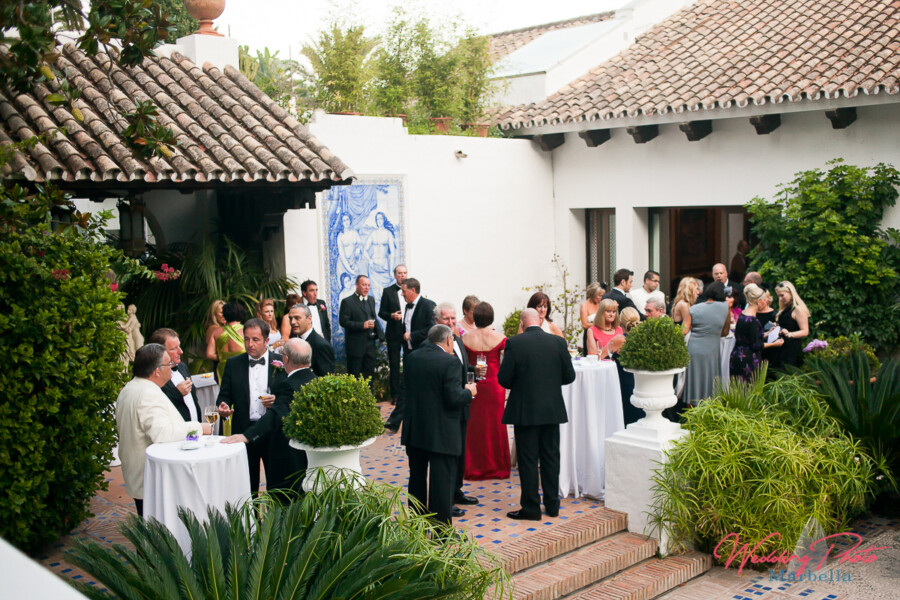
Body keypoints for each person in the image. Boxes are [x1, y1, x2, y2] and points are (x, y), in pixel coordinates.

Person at [498, 308, 576, 520]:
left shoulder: (515, 343)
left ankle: (531, 508)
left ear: (522, 323)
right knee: (551, 457)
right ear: (540, 321)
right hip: (551, 409)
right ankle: (552, 505)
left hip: (526, 410)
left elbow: (504, 379)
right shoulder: (558, 342)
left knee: (528, 460)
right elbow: (569, 376)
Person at [116, 344, 210, 516]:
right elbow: (163, 433)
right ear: (157, 371)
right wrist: (199, 428)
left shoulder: (130, 387)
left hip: (138, 473)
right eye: (168, 364)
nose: (172, 368)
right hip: (150, 476)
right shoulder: (147, 394)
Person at [401, 325, 477, 527]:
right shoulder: (450, 362)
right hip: (441, 432)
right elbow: (453, 398)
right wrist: (469, 392)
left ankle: (417, 526)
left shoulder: (412, 358)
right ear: (449, 340)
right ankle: (441, 532)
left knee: (416, 478)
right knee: (442, 482)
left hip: (416, 429)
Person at [222, 338, 314, 493]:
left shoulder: (289, 385)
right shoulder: (315, 380)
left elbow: (275, 415)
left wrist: (247, 436)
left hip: (290, 459)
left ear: (286, 359)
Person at [215, 318, 285, 494]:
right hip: (243, 431)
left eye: (255, 340)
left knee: (277, 486)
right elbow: (224, 395)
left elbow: (288, 397)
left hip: (272, 431)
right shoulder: (233, 364)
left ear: (266, 341)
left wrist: (276, 400)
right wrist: (223, 407)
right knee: (246, 487)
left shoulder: (282, 363)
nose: (250, 344)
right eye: (246, 339)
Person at [434, 302, 481, 512]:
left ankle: (456, 490)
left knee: (460, 452)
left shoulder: (457, 341)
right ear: (437, 321)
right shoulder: (435, 347)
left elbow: (461, 368)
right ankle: (446, 501)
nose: (451, 322)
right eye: (446, 318)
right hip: (447, 408)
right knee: (449, 455)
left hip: (462, 406)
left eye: (453, 318)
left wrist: (474, 371)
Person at [461, 301, 510, 480]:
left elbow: (464, 364)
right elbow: (509, 361)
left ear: (475, 317)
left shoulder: (465, 338)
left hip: (475, 385)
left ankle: (474, 466)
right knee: (496, 424)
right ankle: (497, 466)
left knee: (475, 425)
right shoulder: (500, 337)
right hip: (495, 386)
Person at [384, 277, 437, 432]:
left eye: (404, 291)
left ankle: (416, 422)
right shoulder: (407, 306)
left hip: (422, 355)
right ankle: (394, 422)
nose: (401, 294)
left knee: (416, 389)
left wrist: (412, 335)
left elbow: (432, 328)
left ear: (413, 290)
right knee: (405, 387)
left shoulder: (428, 305)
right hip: (409, 354)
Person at [684, 281, 731, 405]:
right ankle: (710, 411)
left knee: (694, 380)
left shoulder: (693, 309)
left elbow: (683, 330)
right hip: (712, 349)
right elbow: (725, 332)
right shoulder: (726, 308)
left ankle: (691, 413)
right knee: (711, 380)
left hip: (694, 349)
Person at [729, 283, 782, 382]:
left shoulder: (743, 314)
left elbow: (748, 337)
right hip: (747, 360)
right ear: (758, 301)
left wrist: (767, 333)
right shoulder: (752, 319)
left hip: (737, 356)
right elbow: (756, 345)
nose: (766, 302)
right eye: (764, 300)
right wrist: (774, 344)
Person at [148, 328, 200, 422]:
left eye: (179, 346)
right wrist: (177, 393)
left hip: (195, 428)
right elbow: (153, 405)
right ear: (159, 352)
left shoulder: (182, 367)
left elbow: (193, 400)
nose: (180, 351)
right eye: (173, 349)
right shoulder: (152, 374)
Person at [339, 275, 384, 381]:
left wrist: (381, 336)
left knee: (369, 376)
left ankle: (370, 392)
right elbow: (343, 322)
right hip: (355, 347)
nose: (367, 288)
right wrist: (362, 325)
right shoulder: (347, 302)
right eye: (364, 285)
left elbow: (374, 318)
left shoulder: (371, 300)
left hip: (370, 346)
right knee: (354, 377)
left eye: (368, 285)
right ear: (357, 285)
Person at [378, 264, 408, 405]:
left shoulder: (411, 289)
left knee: (409, 362)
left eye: (404, 273)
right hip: (394, 333)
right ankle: (395, 395)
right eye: (399, 273)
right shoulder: (388, 291)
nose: (402, 275)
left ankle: (408, 392)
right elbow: (381, 313)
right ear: (395, 275)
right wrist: (391, 316)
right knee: (394, 365)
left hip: (408, 332)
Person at [611, 307, 642, 426]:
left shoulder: (619, 339)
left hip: (623, 384)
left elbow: (599, 357)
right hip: (640, 385)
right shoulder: (644, 338)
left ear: (620, 322)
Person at [288, 303, 335, 377]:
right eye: (290, 318)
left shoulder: (321, 346)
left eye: (297, 318)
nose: (292, 322)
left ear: (309, 319)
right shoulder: (293, 341)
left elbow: (326, 379)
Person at [772, 281, 811, 370]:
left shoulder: (798, 309)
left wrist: (790, 334)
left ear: (790, 293)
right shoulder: (784, 308)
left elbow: (805, 331)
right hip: (781, 347)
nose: (780, 299)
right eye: (778, 296)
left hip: (791, 348)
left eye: (782, 295)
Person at [208, 301, 247, 382]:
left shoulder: (216, 332)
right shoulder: (246, 330)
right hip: (242, 367)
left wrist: (224, 357)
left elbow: (209, 354)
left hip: (224, 369)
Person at [579, 283, 604, 355]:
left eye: (601, 296)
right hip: (590, 335)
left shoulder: (601, 304)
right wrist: (599, 324)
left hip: (601, 334)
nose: (600, 298)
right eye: (599, 295)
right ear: (593, 294)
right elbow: (584, 325)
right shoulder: (584, 305)